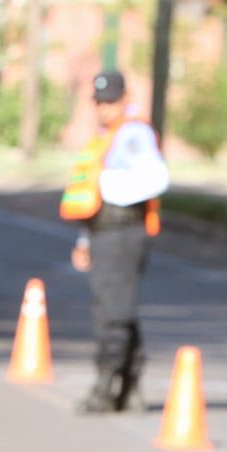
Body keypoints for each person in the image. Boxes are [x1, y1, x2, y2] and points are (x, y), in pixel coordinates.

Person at [60, 70, 170, 413]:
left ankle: (106, 387)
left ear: (124, 99)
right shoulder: (106, 136)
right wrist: (84, 238)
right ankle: (130, 384)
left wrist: (113, 188)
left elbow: (156, 178)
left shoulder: (133, 134)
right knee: (117, 308)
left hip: (123, 232)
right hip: (102, 232)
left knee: (113, 313)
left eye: (110, 101)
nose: (104, 107)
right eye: (99, 101)